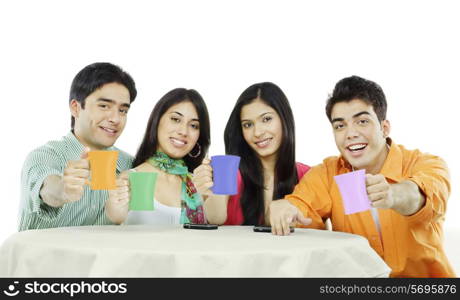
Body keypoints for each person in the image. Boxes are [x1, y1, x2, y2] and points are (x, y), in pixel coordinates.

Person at [270, 75, 455, 277]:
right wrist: (287, 209)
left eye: (362, 121)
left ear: (384, 128)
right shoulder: (327, 173)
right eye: (340, 126)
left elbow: (422, 195)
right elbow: (303, 207)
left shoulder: (426, 164)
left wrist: (393, 195)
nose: (351, 133)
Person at [19, 62, 137, 231]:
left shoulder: (129, 165)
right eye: (104, 106)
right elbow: (49, 189)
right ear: (75, 108)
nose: (116, 119)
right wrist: (63, 189)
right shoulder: (44, 156)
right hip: (43, 257)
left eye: (123, 110)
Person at [194, 82, 310, 225]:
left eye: (266, 119)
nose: (258, 133)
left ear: (284, 118)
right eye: (248, 125)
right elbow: (216, 218)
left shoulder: (308, 175)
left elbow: (320, 229)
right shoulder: (229, 172)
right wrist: (209, 191)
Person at [105, 88, 210, 225]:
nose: (183, 131)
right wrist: (114, 208)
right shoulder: (129, 179)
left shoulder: (199, 184)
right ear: (157, 120)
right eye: (175, 119)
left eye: (194, 126)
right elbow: (115, 219)